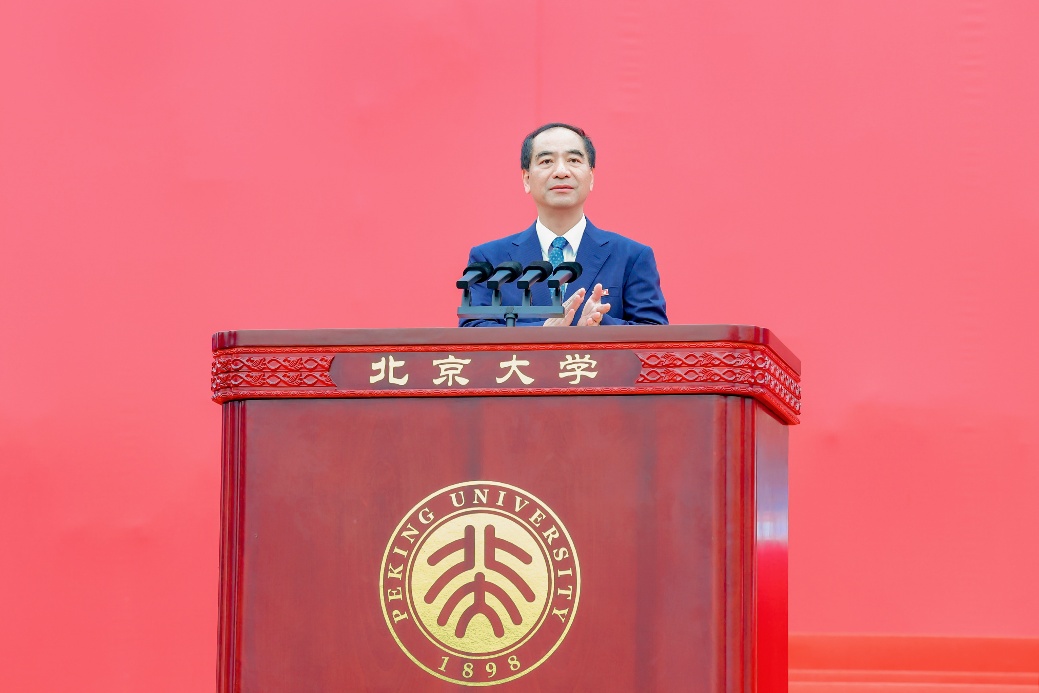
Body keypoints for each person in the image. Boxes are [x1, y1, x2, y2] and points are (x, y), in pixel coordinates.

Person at [459, 123, 668, 327]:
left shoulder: (631, 257)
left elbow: (654, 334)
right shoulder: (490, 260)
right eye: (546, 161)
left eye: (573, 160)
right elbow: (473, 328)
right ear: (526, 178)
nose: (561, 171)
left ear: (591, 177)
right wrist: (544, 331)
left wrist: (600, 322)